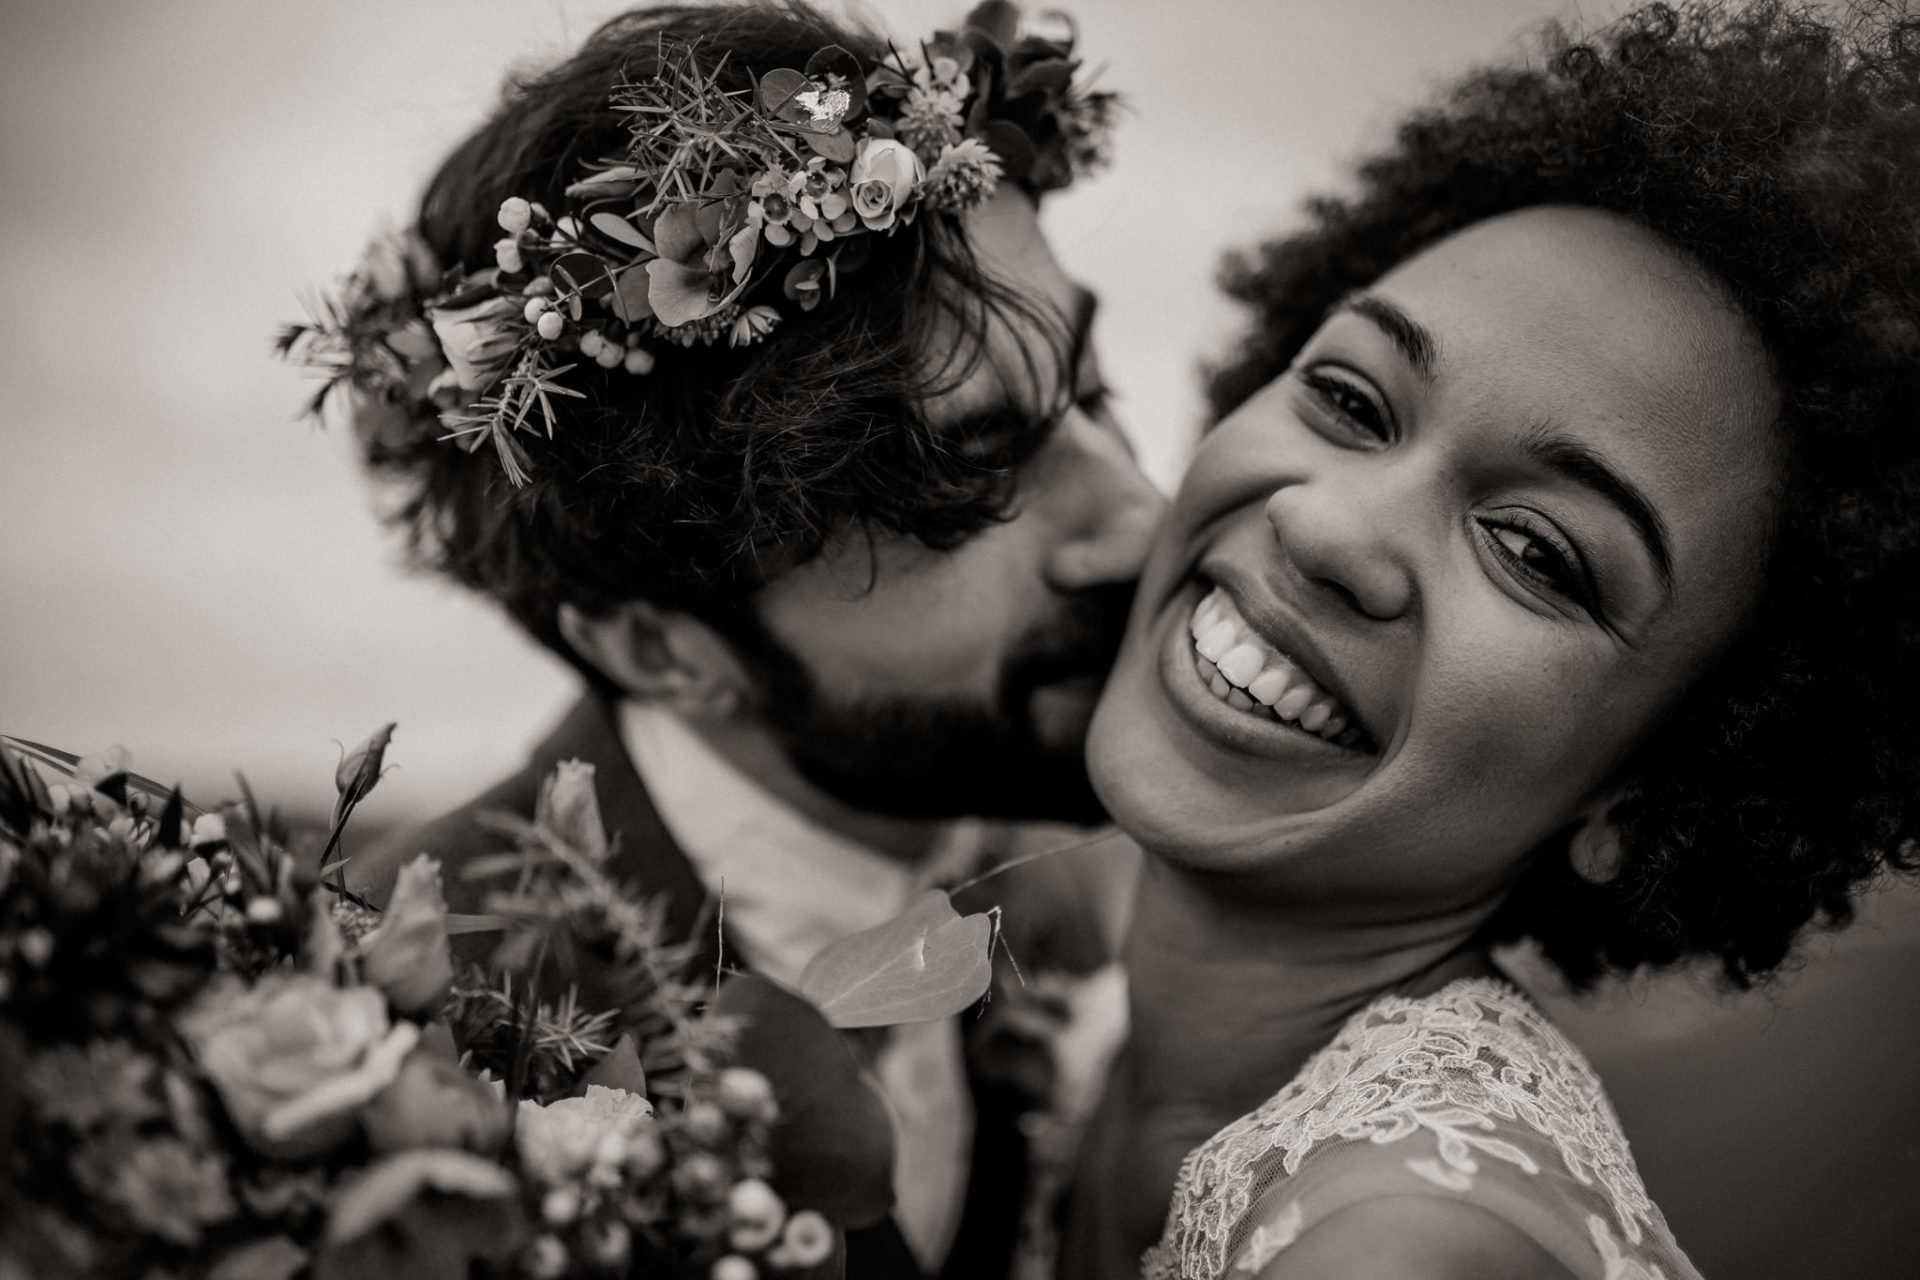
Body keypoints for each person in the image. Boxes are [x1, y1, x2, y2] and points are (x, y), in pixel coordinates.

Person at [284, 4, 1161, 1279]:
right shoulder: (423, 1057)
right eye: (970, 485)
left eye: (1094, 393)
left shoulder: (1080, 917)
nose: (1140, 519)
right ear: (659, 647)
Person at [1057, 2, 1920, 1277]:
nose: (1329, 528)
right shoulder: (1065, 1033)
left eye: (1536, 551)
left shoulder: (1402, 1241)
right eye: (1351, 398)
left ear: (1654, 783)